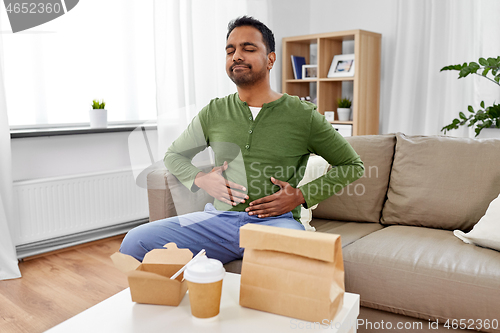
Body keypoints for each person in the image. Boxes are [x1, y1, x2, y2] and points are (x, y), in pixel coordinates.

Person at [120, 16, 364, 263]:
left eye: (248, 48)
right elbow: (173, 156)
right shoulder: (214, 112)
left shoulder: (303, 116)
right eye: (230, 50)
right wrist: (201, 178)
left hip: (275, 224)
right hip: (215, 222)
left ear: (270, 59)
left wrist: (300, 196)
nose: (236, 56)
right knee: (135, 242)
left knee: (298, 262)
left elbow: (353, 165)